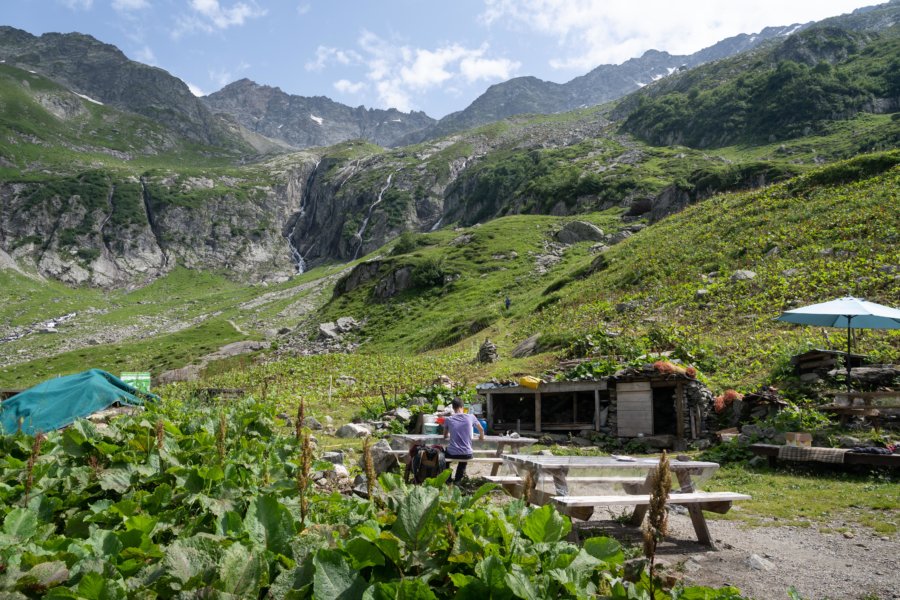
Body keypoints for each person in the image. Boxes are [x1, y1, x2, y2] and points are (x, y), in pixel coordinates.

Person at [443, 397, 485, 483]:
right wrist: (481, 437)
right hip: (467, 453)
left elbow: (445, 435)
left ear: (453, 408)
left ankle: (448, 479)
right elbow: (481, 430)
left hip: (452, 453)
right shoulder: (471, 417)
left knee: (444, 457)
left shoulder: (448, 419)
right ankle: (458, 480)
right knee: (464, 456)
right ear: (462, 407)